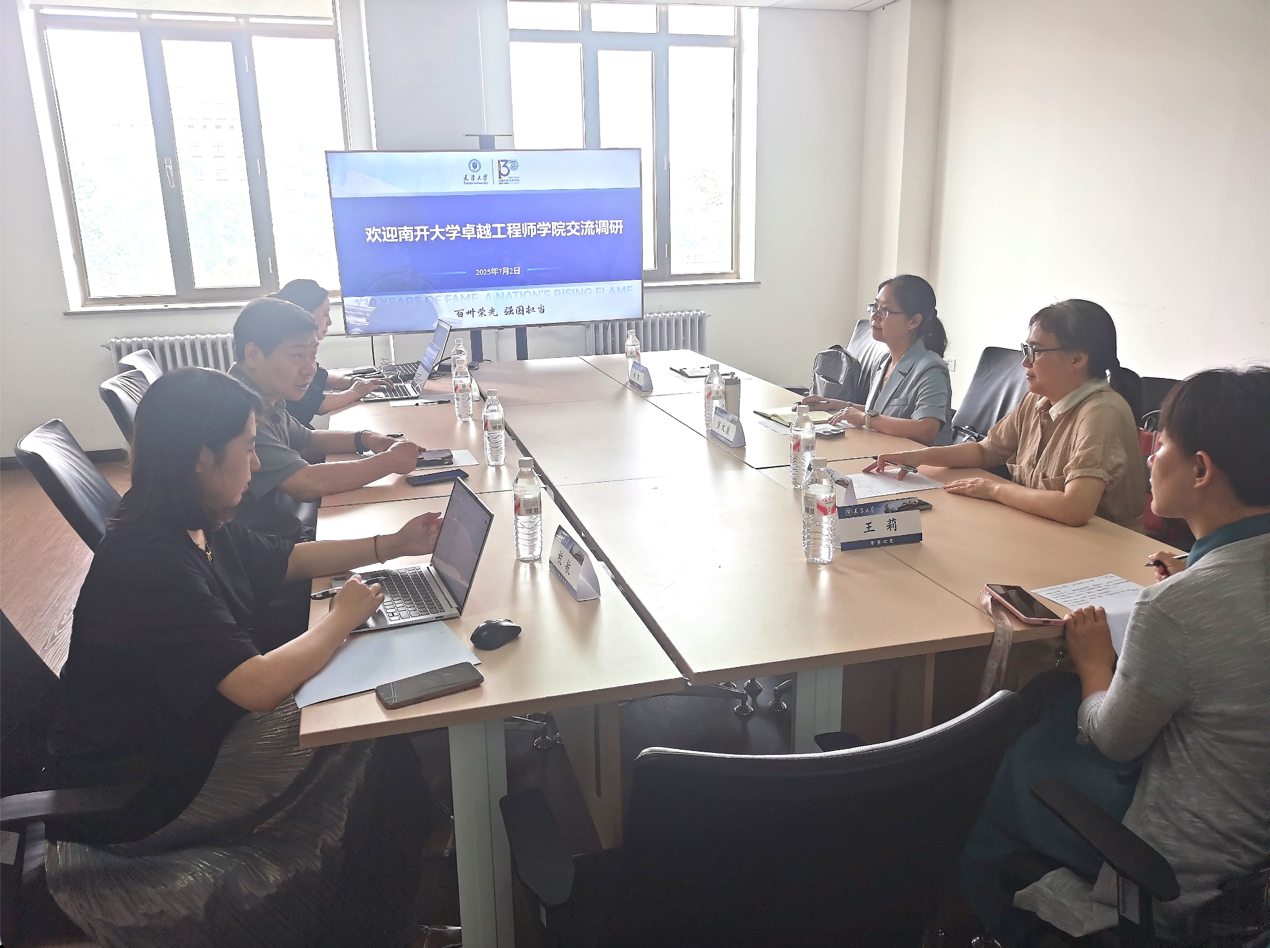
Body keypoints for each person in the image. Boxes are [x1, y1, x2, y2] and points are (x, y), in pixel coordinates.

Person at [44, 367, 450, 948]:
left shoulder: (192, 519)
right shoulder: (150, 560)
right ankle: (375, 912)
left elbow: (286, 559)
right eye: (249, 448)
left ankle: (399, 869)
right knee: (360, 724)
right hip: (149, 786)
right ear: (201, 457)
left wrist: (393, 545)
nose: (257, 464)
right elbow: (256, 687)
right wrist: (340, 619)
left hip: (190, 733)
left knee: (361, 713)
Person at [961, 365, 1270, 945]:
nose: (1150, 455)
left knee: (1018, 745)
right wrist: (1194, 569)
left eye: (1163, 443)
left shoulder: (1177, 607)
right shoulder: (1204, 582)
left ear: (1201, 469)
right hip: (1255, 828)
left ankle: (976, 914)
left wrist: (1093, 661)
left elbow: (1112, 739)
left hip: (1191, 867)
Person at [874, 299, 1146, 529]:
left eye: (1035, 351)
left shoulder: (1101, 413)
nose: (1024, 361)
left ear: (1077, 359)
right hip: (1039, 528)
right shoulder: (1038, 399)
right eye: (1026, 349)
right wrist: (920, 457)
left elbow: (1074, 507)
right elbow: (985, 451)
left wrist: (993, 489)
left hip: (1101, 550)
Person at [229, 296, 422, 540]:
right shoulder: (240, 411)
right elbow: (306, 483)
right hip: (269, 546)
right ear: (253, 354)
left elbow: (307, 441)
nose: (310, 369)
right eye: (297, 355)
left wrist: (367, 439)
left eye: (313, 355)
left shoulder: (264, 395)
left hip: (286, 529)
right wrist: (390, 462)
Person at [801, 275, 953, 445]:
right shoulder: (884, 361)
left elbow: (926, 430)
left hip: (917, 459)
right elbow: (880, 412)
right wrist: (833, 404)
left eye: (885, 310)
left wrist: (866, 419)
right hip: (881, 451)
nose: (874, 316)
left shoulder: (931, 369)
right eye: (874, 307)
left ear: (913, 321)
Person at [273, 279, 385, 425]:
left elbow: (321, 377)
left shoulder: (301, 353)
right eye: (325, 314)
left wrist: (353, 382)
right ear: (305, 314)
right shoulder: (286, 354)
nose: (330, 321)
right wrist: (355, 392)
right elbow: (317, 404)